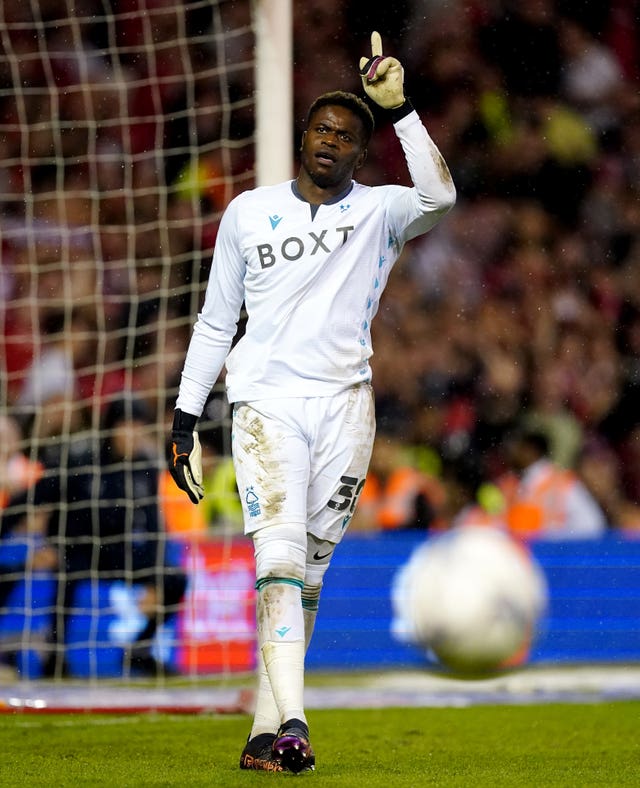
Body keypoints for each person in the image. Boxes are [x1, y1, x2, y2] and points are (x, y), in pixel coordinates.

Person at [168, 31, 456, 773]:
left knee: (310, 578)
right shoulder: (247, 213)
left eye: (346, 136)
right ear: (303, 139)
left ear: (360, 153)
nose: (330, 141)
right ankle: (297, 720)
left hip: (346, 409)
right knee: (278, 561)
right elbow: (214, 320)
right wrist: (184, 416)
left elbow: (442, 195)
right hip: (265, 404)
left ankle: (265, 734)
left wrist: (401, 110)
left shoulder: (381, 213)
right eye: (321, 129)